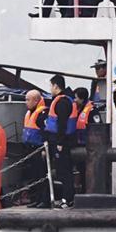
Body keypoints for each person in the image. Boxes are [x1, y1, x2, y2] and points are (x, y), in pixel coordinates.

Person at [45, 75, 76, 206]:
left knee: (64, 171)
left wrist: (60, 142)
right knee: (61, 170)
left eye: (51, 86)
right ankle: (66, 198)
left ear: (56, 86)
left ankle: (68, 199)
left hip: (62, 142)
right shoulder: (63, 99)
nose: (50, 89)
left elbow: (62, 123)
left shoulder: (62, 102)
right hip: (58, 139)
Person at [23, 90, 50, 207]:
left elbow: (47, 132)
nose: (26, 102)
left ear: (36, 100)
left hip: (39, 149)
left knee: (42, 176)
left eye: (28, 100)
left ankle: (44, 200)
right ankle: (37, 199)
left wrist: (44, 149)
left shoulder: (42, 113)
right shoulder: (29, 113)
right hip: (30, 149)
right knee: (34, 176)